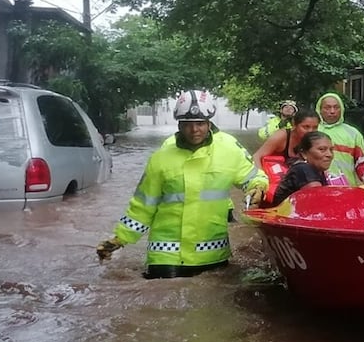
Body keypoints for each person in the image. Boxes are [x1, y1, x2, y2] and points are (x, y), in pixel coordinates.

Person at [95, 90, 268, 279]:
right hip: (165, 257)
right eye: (188, 125)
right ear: (179, 125)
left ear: (209, 123)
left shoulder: (229, 152)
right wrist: (119, 239)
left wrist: (257, 188)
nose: (195, 130)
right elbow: (142, 206)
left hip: (212, 254)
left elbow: (252, 176)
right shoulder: (160, 159)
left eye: (200, 123)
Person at [315, 92, 364, 185]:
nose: (332, 111)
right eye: (327, 108)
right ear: (319, 110)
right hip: (316, 188)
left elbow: (363, 160)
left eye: (336, 107)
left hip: (347, 189)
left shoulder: (353, 133)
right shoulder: (312, 130)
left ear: (342, 109)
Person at [268, 131, 333, 207]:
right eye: (322, 149)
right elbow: (319, 203)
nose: (330, 154)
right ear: (304, 153)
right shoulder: (302, 169)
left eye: (331, 150)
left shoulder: (317, 170)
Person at [252, 110, 320, 169]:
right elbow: (256, 157)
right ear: (294, 124)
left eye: (315, 127)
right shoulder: (281, 136)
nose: (311, 131)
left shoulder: (315, 140)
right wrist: (262, 178)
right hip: (273, 176)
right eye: (306, 127)